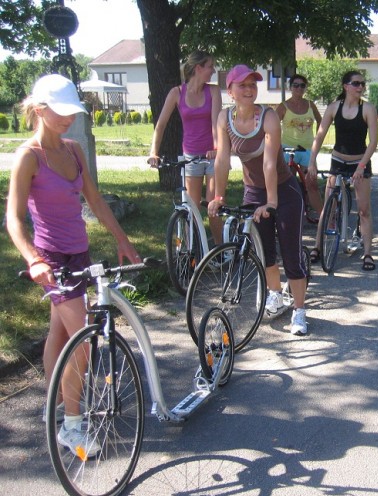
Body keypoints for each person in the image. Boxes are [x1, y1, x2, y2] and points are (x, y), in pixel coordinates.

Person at [5, 74, 141, 456]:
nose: (68, 119)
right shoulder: (28, 157)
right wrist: (33, 259)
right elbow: (14, 219)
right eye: (61, 112)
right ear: (40, 110)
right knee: (83, 337)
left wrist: (122, 240)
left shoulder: (73, 149)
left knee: (60, 334)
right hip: (51, 260)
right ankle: (72, 426)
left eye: (72, 112)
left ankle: (56, 405)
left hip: (79, 253)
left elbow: (95, 202)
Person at [207, 65, 309, 335]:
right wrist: (218, 195)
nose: (249, 89)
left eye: (253, 84)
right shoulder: (224, 119)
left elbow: (268, 164)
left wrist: (272, 202)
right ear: (230, 91)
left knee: (291, 254)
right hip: (253, 192)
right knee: (265, 251)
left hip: (284, 191)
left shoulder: (269, 117)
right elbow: (222, 160)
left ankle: (299, 312)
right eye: (242, 85)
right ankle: (274, 294)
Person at [147, 51, 223, 242]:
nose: (213, 70)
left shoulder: (213, 91)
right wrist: (153, 152)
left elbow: (216, 124)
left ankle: (223, 253)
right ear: (198, 68)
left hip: (212, 156)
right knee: (192, 210)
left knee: (214, 207)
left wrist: (216, 148)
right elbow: (161, 124)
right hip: (191, 156)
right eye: (210, 66)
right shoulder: (177, 93)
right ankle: (192, 255)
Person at [307, 70, 378, 271]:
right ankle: (317, 247)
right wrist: (312, 161)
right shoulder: (333, 107)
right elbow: (320, 135)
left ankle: (367, 253)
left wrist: (362, 166)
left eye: (362, 84)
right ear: (345, 86)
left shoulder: (368, 109)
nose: (360, 87)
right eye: (356, 83)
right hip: (338, 160)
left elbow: (373, 142)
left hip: (360, 161)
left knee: (364, 210)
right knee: (328, 207)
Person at [275, 74, 323, 218]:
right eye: (295, 85)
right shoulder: (284, 106)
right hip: (288, 149)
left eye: (302, 85)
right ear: (290, 88)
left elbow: (321, 122)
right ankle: (287, 213)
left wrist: (317, 139)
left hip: (308, 149)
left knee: (311, 184)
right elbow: (272, 126)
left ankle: (323, 218)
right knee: (287, 183)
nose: (299, 88)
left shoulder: (310, 105)